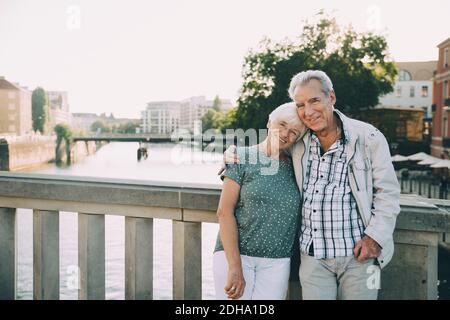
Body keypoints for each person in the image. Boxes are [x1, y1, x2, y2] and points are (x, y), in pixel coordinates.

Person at [222, 70, 401, 300]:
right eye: (300, 104)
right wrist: (233, 156)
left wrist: (375, 237)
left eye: (314, 100)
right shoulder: (298, 140)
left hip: (361, 258)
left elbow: (388, 193)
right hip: (313, 260)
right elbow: (265, 150)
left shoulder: (369, 138)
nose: (308, 111)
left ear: (331, 97)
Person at [213, 102, 306, 300]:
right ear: (269, 122)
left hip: (277, 261)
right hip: (236, 255)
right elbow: (224, 212)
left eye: (293, 132)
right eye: (282, 124)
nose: (285, 134)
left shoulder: (297, 168)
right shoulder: (240, 157)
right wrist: (235, 267)